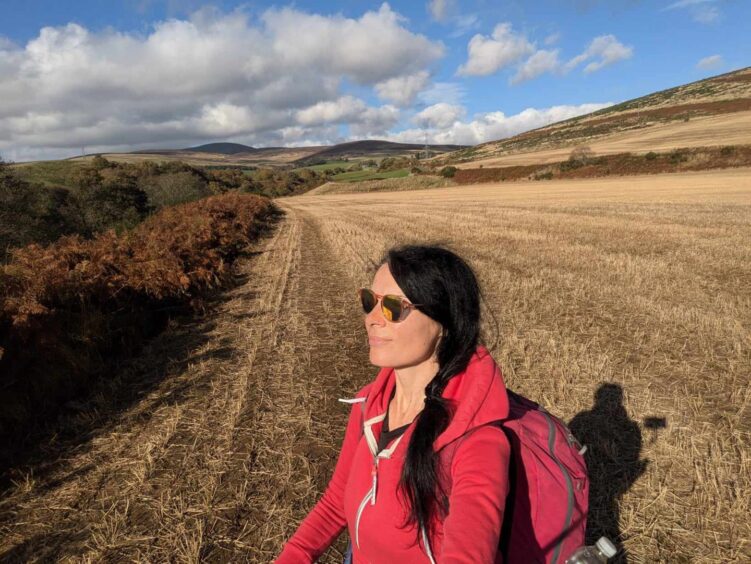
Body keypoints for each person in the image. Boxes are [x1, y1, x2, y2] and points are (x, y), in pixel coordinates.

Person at [275, 244, 511, 563]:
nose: (372, 319)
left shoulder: (477, 442)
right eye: (369, 301)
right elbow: (334, 504)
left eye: (392, 307)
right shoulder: (368, 405)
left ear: (443, 323)